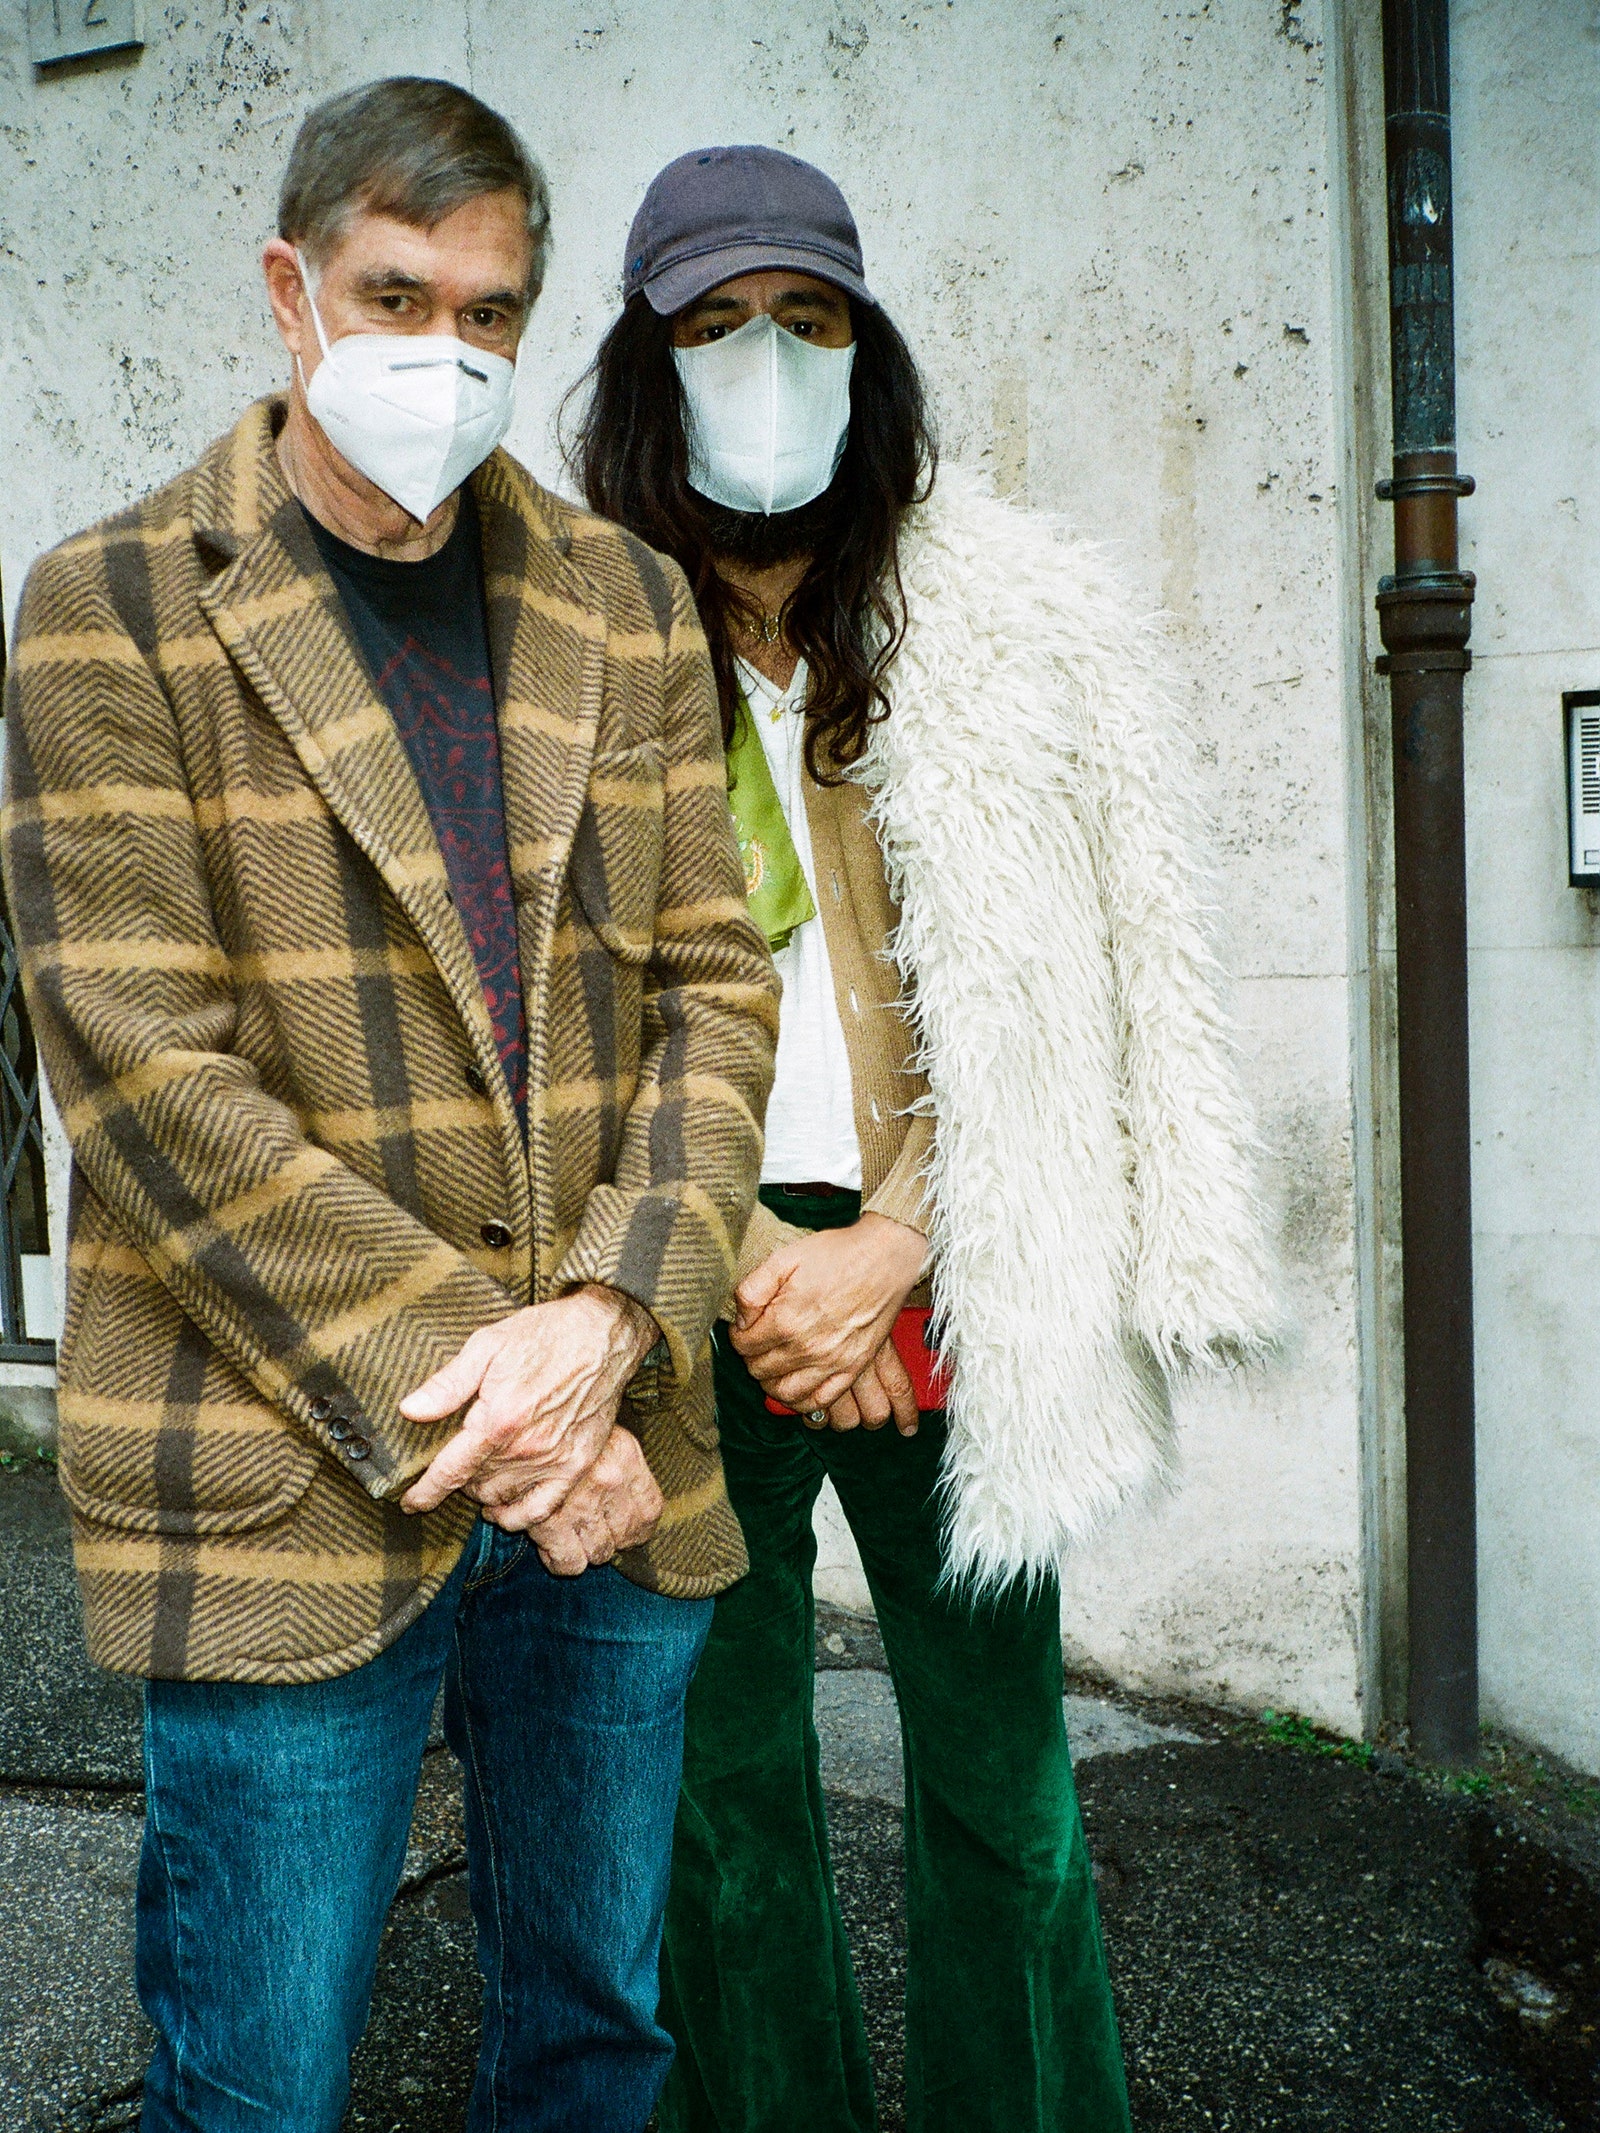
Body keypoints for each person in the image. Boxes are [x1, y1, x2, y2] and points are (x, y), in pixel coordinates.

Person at [1, 82, 778, 2133]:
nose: (447, 352)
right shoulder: (113, 607)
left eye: (494, 312)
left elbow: (711, 980)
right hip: (291, 1468)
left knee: (593, 2035)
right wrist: (514, 1400)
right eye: (394, 292)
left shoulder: (619, 596)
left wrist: (608, 1328)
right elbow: (146, 1076)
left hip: (611, 1449)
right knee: (256, 2078)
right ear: (290, 289)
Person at [571, 145, 1280, 2133]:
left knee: (1003, 1794)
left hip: (952, 1260)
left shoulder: (1003, 628)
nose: (762, 361)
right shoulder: (563, 650)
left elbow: (1083, 995)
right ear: (648, 364)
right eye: (713, 325)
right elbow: (526, 1031)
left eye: (801, 319)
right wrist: (731, 1275)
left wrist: (893, 1241)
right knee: (715, 1816)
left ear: (863, 347)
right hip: (674, 1286)